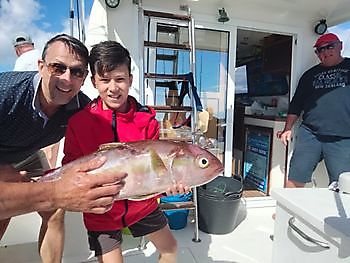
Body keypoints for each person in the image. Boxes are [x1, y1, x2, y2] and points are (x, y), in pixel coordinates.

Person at [0, 34, 127, 263]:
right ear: (41, 67)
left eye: (77, 71)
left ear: (84, 77)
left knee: (55, 210)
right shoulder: (5, 94)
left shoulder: (82, 108)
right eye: (58, 68)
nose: (67, 79)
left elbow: (108, 140)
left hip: (28, 153)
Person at [62, 40, 189, 263]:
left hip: (143, 207)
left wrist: (169, 185)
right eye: (104, 80)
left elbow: (155, 168)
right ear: (94, 82)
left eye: (120, 79)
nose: (113, 88)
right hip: (102, 212)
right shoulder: (79, 123)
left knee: (170, 248)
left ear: (130, 80)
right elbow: (70, 165)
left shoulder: (146, 118)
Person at [277, 33, 350, 188]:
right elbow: (296, 104)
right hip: (311, 134)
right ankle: (287, 212)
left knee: (343, 185)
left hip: (343, 137)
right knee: (295, 175)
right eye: (319, 50)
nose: (325, 52)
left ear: (340, 46)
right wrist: (287, 128)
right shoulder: (309, 75)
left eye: (330, 46)